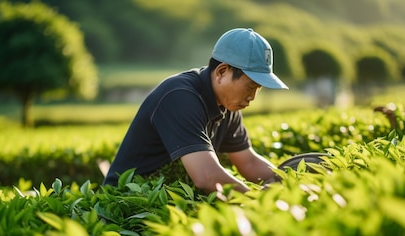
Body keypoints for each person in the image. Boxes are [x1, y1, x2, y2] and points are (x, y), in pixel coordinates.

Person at [102, 28, 288, 193]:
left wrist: (289, 183)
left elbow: (248, 162)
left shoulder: (229, 108)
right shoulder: (179, 97)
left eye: (258, 89)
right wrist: (256, 201)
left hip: (169, 201)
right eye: (250, 86)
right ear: (222, 72)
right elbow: (206, 176)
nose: (252, 97)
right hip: (128, 204)